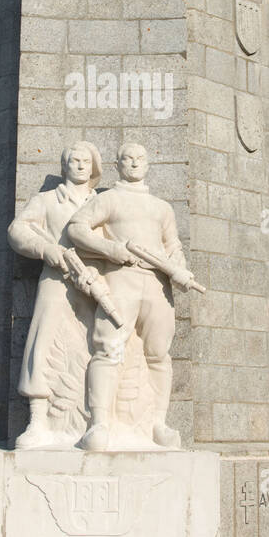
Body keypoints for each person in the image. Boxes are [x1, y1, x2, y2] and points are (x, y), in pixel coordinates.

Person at [66, 141, 194, 451]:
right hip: (121, 279)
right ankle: (99, 424)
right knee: (108, 348)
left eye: (140, 158)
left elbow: (173, 246)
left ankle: (158, 424)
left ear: (148, 164)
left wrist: (180, 268)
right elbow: (76, 228)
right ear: (118, 164)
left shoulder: (162, 207)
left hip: (158, 286)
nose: (134, 163)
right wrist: (112, 250)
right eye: (127, 158)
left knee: (159, 354)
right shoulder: (109, 200)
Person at [8, 142, 102, 448]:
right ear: (64, 165)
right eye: (73, 160)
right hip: (56, 278)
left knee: (95, 345)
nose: (79, 165)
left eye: (85, 161)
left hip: (92, 282)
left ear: (93, 167)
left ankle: (96, 420)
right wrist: (45, 249)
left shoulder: (102, 203)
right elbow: (17, 230)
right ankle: (38, 420)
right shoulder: (47, 200)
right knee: (42, 342)